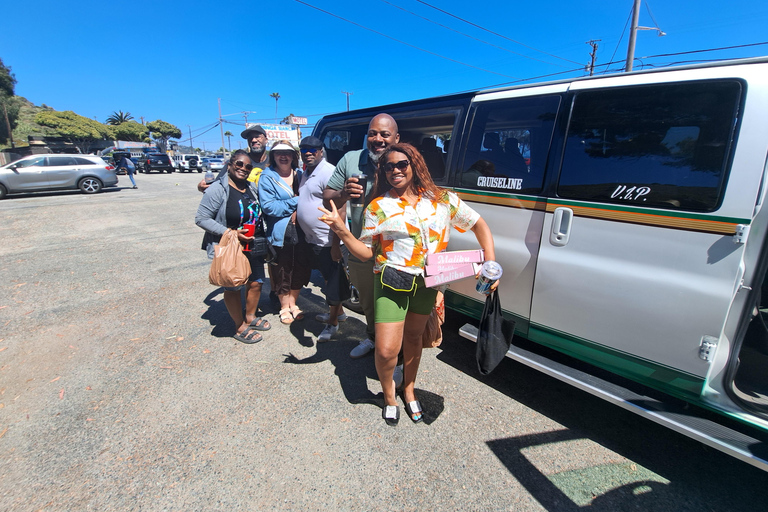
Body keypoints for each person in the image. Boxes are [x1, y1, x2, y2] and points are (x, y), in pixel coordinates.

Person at [318, 142, 497, 425]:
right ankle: (389, 396)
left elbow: (479, 225)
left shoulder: (442, 199)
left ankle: (409, 389)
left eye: (402, 164)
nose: (395, 170)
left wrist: (490, 261)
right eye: (388, 166)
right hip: (391, 282)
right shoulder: (378, 206)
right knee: (387, 349)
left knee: (414, 340)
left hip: (428, 283)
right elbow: (366, 252)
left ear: (415, 164)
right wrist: (341, 231)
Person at [323, 113, 400, 359]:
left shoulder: (404, 162)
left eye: (385, 134)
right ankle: (372, 338)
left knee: (395, 305)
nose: (378, 139)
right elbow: (327, 198)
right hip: (360, 248)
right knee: (367, 300)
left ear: (396, 138)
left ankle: (395, 355)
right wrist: (343, 194)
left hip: (397, 252)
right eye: (373, 133)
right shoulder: (351, 159)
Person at [195, 150, 272, 343]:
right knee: (233, 286)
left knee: (256, 282)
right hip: (231, 245)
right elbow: (201, 218)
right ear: (229, 165)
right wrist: (230, 233)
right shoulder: (218, 189)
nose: (243, 169)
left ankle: (250, 316)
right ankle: (239, 326)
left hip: (252, 244)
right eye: (239, 164)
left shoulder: (251, 188)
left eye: (248, 166)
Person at [295, 136, 347, 342]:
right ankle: (339, 313)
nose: (308, 152)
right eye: (304, 149)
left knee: (333, 283)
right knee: (327, 280)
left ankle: (332, 323)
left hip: (328, 240)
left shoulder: (328, 172)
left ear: (321, 151)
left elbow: (340, 208)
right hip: (315, 239)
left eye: (312, 149)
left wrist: (336, 243)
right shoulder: (307, 173)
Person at [258, 141, 310, 325]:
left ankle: (293, 303)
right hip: (280, 233)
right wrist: (296, 202)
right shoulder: (267, 177)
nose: (283, 156)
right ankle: (283, 306)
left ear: (294, 156)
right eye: (278, 152)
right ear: (272, 156)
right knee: (281, 270)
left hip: (302, 231)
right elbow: (269, 207)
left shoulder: (301, 174)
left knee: (301, 267)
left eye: (287, 153)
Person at [198, 125, 270, 193]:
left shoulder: (274, 162)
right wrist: (202, 186)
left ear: (266, 140)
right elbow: (218, 183)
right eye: (250, 138)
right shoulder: (237, 161)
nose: (254, 140)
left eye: (257, 137)